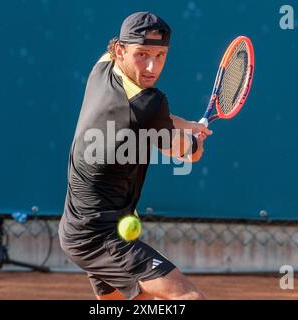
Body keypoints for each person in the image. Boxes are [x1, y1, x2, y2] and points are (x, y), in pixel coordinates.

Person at [58, 11, 211, 300]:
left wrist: (188, 125)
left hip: (77, 228)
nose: (152, 66)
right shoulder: (150, 104)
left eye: (160, 55)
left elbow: (150, 118)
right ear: (120, 50)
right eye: (142, 54)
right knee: (190, 298)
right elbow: (189, 154)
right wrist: (195, 141)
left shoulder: (102, 68)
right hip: (101, 236)